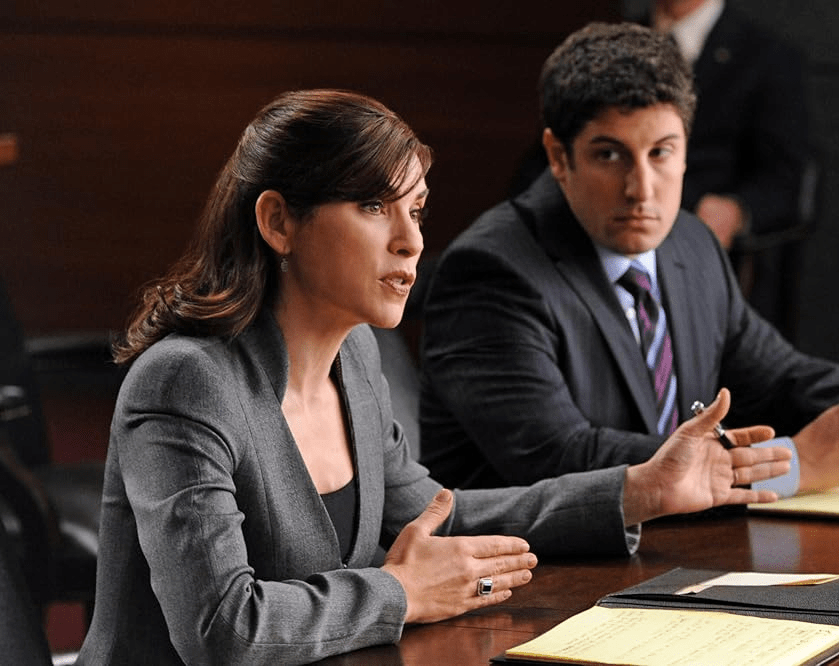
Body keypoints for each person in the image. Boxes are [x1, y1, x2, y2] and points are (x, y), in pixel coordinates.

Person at [76, 89, 790, 665]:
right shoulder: (185, 382)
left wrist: (639, 490)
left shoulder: (358, 358)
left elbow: (442, 515)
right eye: (372, 206)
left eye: (415, 210)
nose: (412, 240)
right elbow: (222, 628)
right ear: (278, 222)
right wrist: (401, 593)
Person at [418, 23, 839, 496]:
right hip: (539, 568)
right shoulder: (489, 273)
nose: (641, 190)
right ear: (559, 156)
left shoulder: (689, 242)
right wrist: (794, 464)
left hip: (679, 553)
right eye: (609, 155)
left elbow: (776, 378)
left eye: (661, 153)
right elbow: (561, 459)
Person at [645, 0, 809, 334]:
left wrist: (736, 210)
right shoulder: (610, 45)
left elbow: (785, 178)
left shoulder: (767, 55)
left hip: (701, 248)